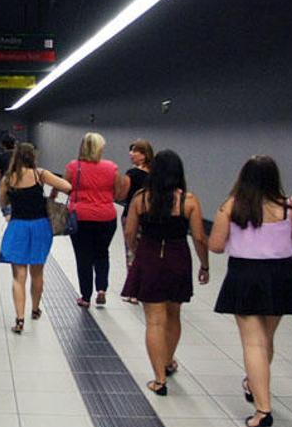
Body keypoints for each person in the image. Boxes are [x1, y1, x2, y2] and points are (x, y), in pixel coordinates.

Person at [209, 156, 292, 427]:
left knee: (253, 343)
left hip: (245, 275)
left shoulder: (232, 206)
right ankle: (253, 383)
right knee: (266, 338)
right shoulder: (290, 208)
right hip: (280, 275)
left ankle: (263, 409)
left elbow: (216, 245)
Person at [123, 150, 209, 396]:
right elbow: (200, 238)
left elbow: (130, 233)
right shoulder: (188, 201)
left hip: (149, 257)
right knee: (173, 315)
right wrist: (205, 266)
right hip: (177, 258)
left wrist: (136, 252)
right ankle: (168, 360)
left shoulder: (141, 199)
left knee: (154, 320)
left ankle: (159, 378)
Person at [0, 143, 72, 334]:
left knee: (18, 276)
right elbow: (68, 186)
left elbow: (2, 202)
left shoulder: (8, 179)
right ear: (33, 156)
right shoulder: (41, 174)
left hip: (18, 227)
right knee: (37, 272)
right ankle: (35, 309)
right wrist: (53, 192)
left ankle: (20, 319)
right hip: (40, 227)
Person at [55, 132, 128, 308]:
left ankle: (86, 297)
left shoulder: (74, 166)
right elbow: (118, 193)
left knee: (83, 257)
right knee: (102, 253)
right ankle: (101, 289)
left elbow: (66, 188)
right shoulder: (111, 167)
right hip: (106, 217)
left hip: (80, 217)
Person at [120, 139, 154, 304]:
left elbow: (122, 195)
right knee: (147, 250)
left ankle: (133, 290)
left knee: (131, 251)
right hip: (150, 217)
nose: (131, 154)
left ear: (144, 155)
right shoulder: (156, 174)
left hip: (131, 215)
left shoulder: (132, 174)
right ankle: (146, 286)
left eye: (135, 151)